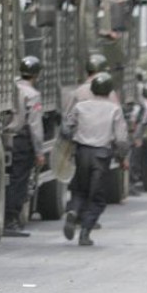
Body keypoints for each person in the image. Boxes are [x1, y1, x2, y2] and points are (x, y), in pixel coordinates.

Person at [60, 72, 128, 246]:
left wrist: (70, 138)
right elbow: (120, 138)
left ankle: (73, 211)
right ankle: (85, 231)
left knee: (79, 189)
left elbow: (67, 125)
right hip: (101, 156)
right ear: (109, 90)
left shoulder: (80, 107)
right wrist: (122, 158)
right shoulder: (115, 109)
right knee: (96, 197)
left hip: (81, 153)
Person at [2, 56, 45, 238]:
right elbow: (34, 125)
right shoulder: (32, 94)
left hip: (6, 136)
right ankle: (10, 219)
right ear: (37, 74)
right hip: (22, 141)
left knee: (10, 179)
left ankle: (6, 216)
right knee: (19, 181)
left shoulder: (11, 86)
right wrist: (39, 151)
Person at [127, 83, 147, 196]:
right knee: (133, 161)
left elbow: (133, 120)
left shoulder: (139, 103)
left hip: (130, 134)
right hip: (135, 136)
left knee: (130, 159)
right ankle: (130, 186)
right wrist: (137, 138)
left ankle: (129, 185)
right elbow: (142, 124)